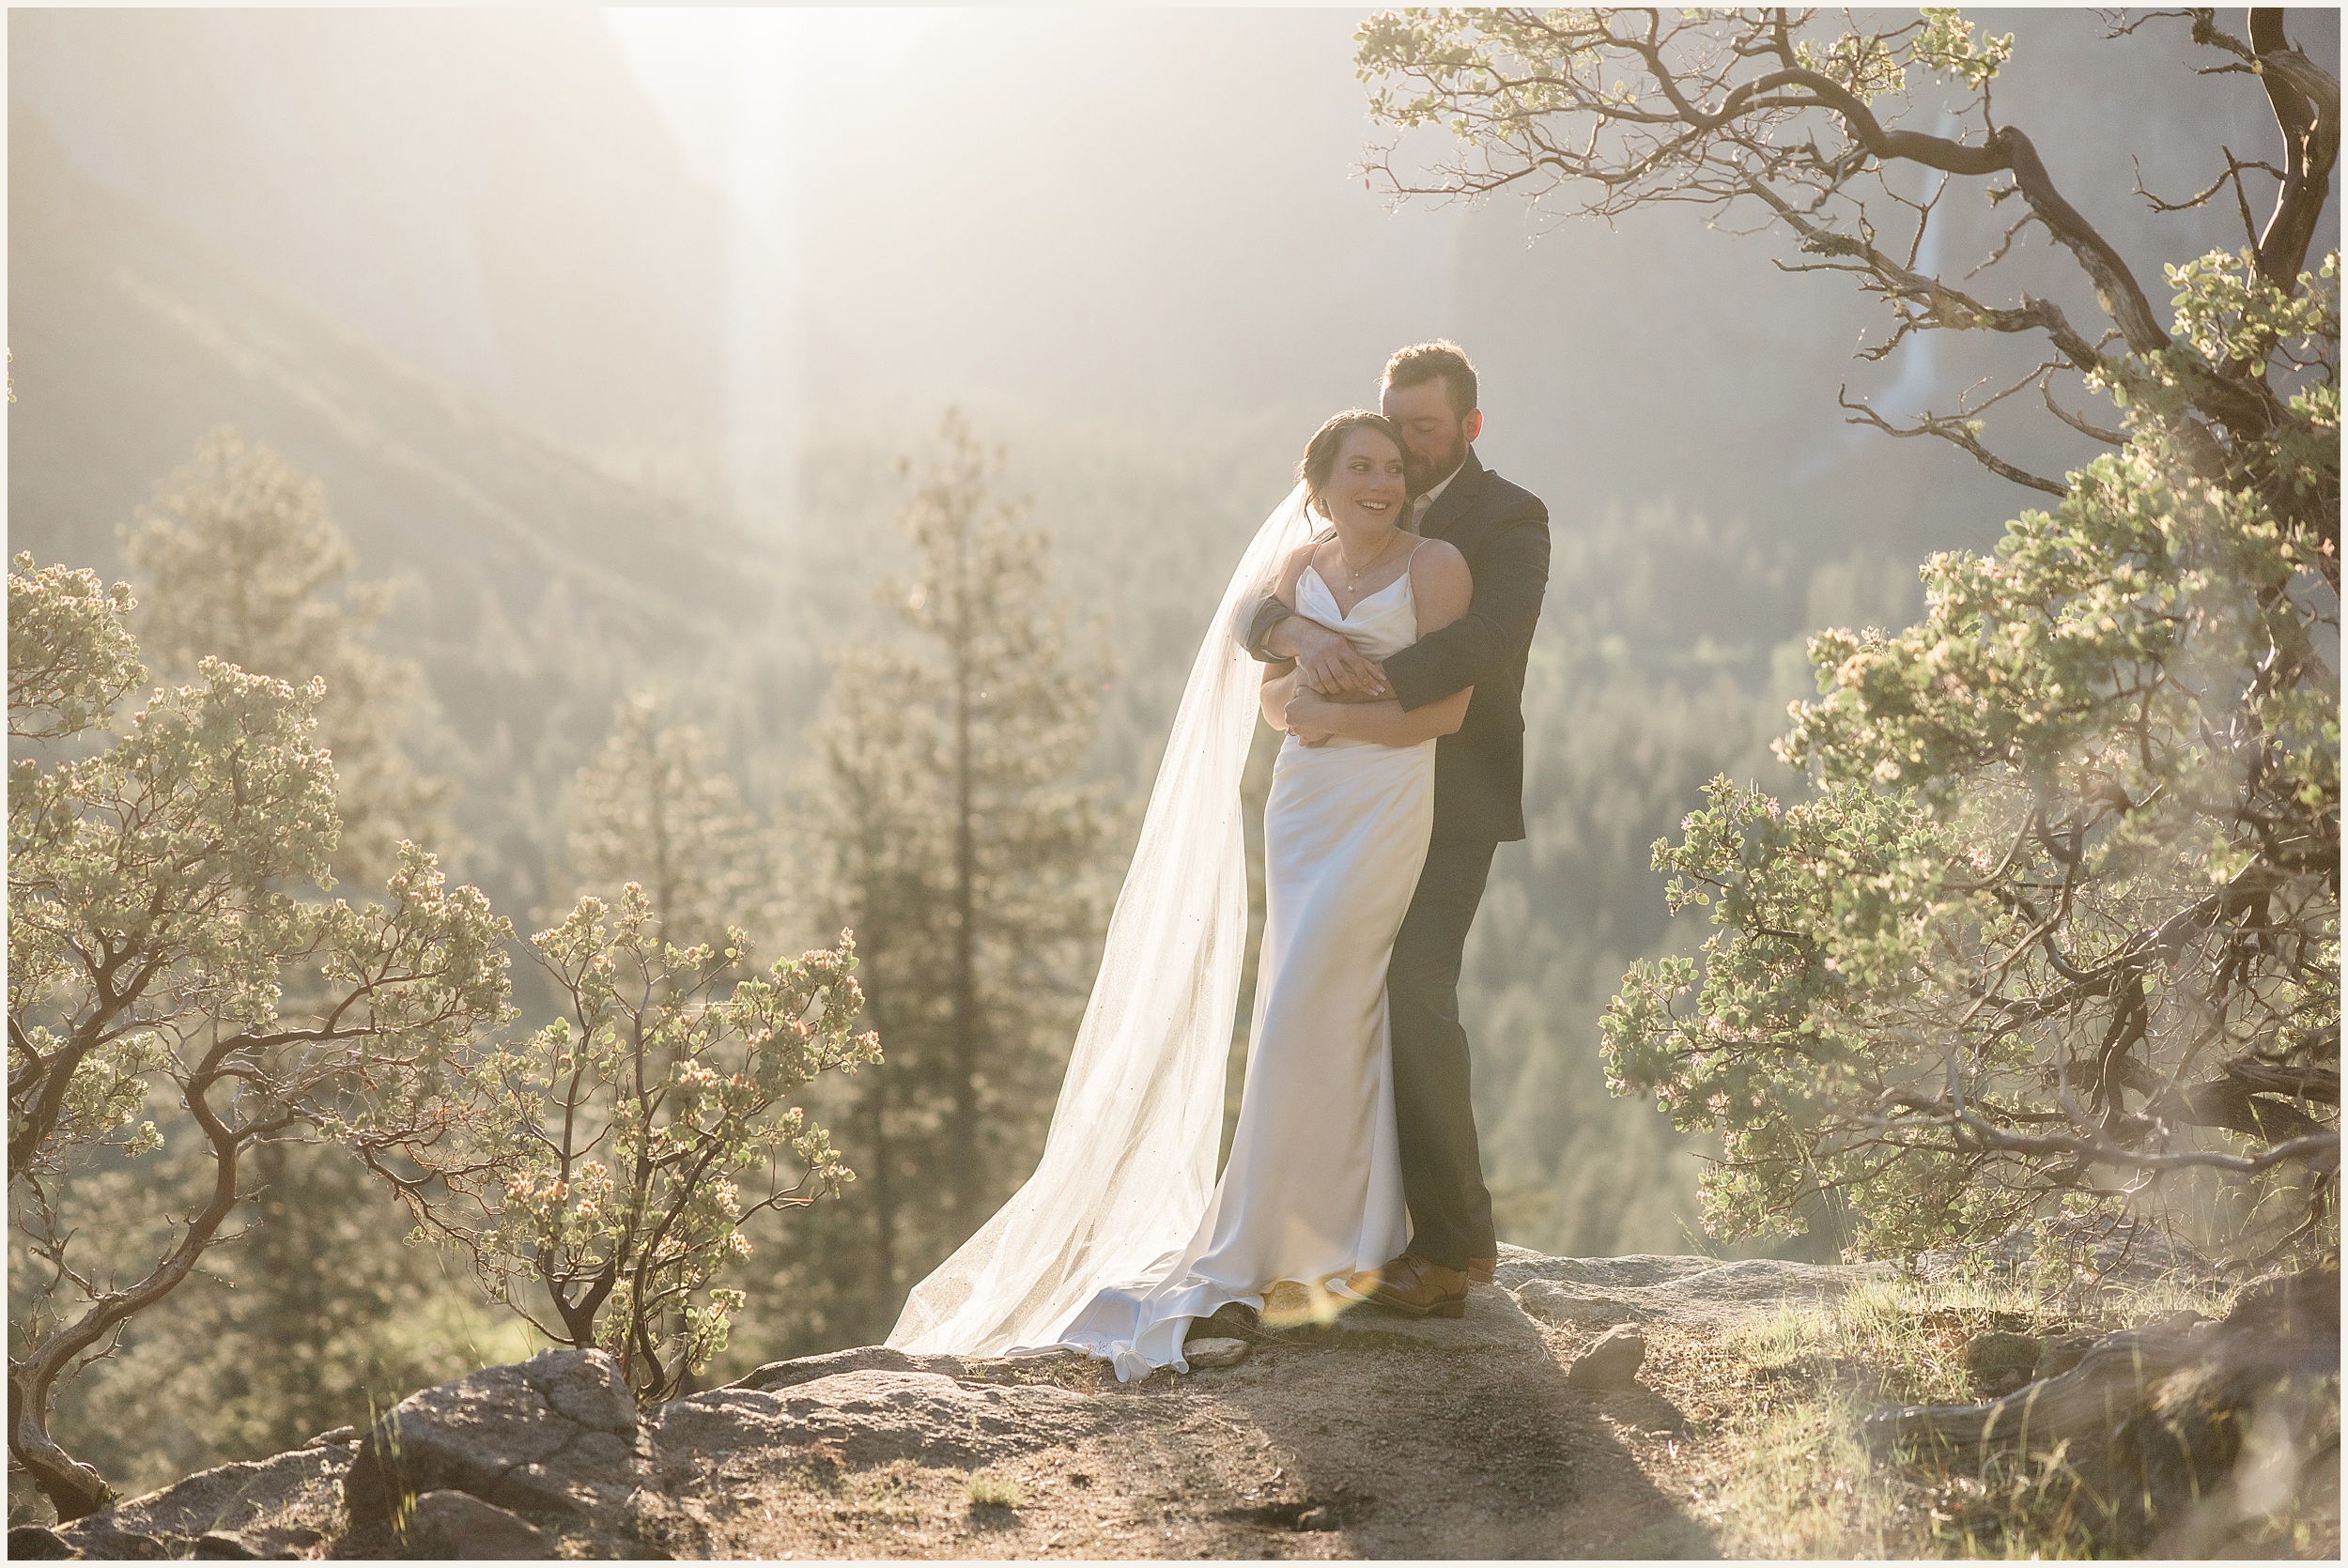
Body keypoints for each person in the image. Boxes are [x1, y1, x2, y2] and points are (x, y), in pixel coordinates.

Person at [885, 409, 1473, 1379]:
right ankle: (1316, 1237)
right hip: (1302, 807)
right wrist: (1312, 695)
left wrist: (1325, 707)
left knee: (1312, 998)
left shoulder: (1436, 565)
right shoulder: (1298, 575)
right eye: (1359, 466)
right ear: (1318, 482)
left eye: (1394, 468)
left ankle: (1316, 1236)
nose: (1382, 481)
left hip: (1380, 801)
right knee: (1303, 997)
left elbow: (1441, 711)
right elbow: (1272, 701)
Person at [1244, 341, 1551, 1319]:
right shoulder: (1359, 492)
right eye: (1392, 426)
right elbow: (1258, 609)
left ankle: (1456, 1246)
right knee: (1329, 991)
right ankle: (1343, 1226)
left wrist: (1348, 687)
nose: (1404, 452)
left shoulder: (1509, 517)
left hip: (1446, 794)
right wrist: (1301, 636)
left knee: (1413, 987)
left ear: (1467, 425)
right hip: (1334, 800)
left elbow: (1485, 643)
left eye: (1422, 430)